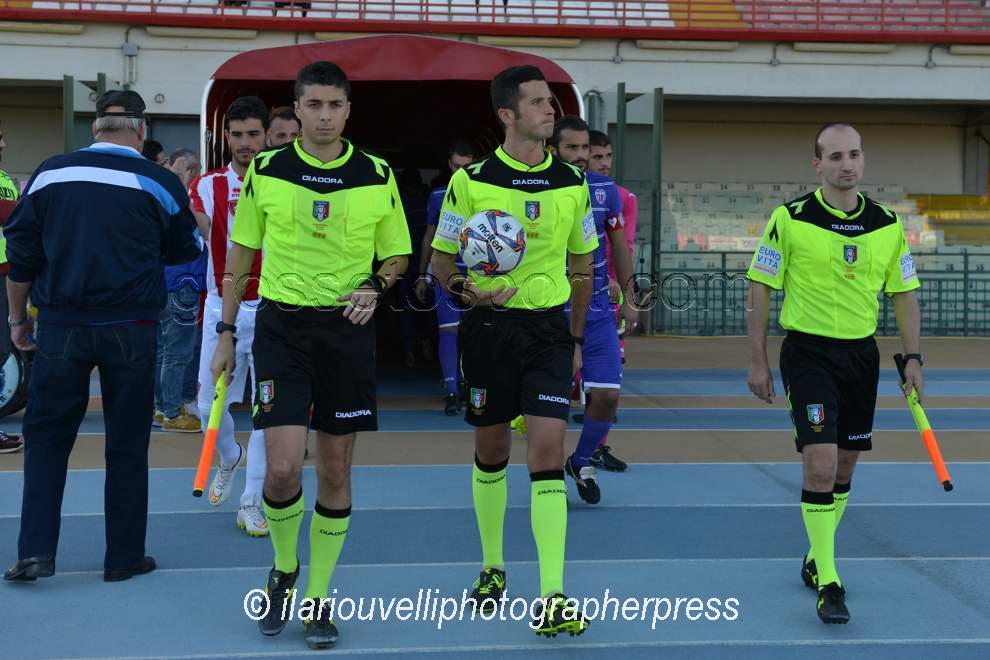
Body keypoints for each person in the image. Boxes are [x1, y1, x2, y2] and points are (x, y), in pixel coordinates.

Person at [210, 62, 411, 649]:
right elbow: (241, 253)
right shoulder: (267, 169)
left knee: (335, 471)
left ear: (348, 110)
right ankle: (283, 568)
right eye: (314, 105)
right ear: (297, 110)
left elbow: (397, 256)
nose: (325, 115)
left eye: (335, 105)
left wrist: (376, 285)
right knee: (280, 468)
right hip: (282, 328)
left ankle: (318, 596)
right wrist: (226, 331)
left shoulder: (376, 173)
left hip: (346, 333)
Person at [2, 90, 201, 582]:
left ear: (94, 129)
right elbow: (186, 250)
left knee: (46, 439)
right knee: (127, 444)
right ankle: (123, 557)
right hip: (132, 326)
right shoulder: (159, 180)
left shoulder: (51, 172)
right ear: (143, 130)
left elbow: (21, 253)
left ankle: (35, 551)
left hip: (62, 325)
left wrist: (17, 320)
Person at [431, 65, 595, 636]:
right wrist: (467, 291)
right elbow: (441, 262)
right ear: (508, 114)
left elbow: (582, 265)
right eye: (539, 102)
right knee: (493, 448)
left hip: (548, 332)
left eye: (551, 101)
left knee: (547, 451)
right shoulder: (471, 182)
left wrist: (576, 339)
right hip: (487, 328)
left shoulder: (571, 182)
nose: (551, 110)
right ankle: (493, 567)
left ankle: (553, 594)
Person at [746, 123, 923, 624]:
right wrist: (757, 359)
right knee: (820, 465)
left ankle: (815, 554)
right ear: (817, 164)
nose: (848, 164)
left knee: (844, 467)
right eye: (837, 156)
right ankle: (829, 581)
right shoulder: (790, 218)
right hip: (808, 354)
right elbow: (759, 286)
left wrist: (913, 357)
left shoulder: (887, 223)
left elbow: (904, 293)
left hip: (861, 357)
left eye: (855, 154)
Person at [190, 97, 270, 536]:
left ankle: (251, 501)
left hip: (275, 306)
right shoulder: (206, 186)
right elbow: (212, 241)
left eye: (253, 134)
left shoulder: (283, 183)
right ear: (226, 137)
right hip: (223, 307)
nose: (245, 143)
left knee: (267, 409)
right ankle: (229, 456)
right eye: (237, 135)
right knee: (208, 407)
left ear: (266, 135)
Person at [547, 116, 636, 504]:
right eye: (572, 147)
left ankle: (580, 461)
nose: (581, 155)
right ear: (553, 150)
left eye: (586, 148)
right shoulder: (538, 187)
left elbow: (619, 245)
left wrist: (629, 297)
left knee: (606, 397)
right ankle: (548, 477)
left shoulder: (604, 189)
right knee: (551, 402)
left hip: (598, 305)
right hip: (550, 307)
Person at [586, 129, 637, 472]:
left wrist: (625, 291)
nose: (604, 163)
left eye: (608, 156)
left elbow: (623, 245)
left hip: (607, 293)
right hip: (564, 290)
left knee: (608, 374)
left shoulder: (622, 197)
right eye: (597, 156)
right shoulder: (567, 189)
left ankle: (597, 447)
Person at [416, 140, 475, 414]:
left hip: (477, 275)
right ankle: (452, 390)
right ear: (449, 165)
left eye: (467, 167)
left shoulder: (488, 193)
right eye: (457, 166)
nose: (461, 172)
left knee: (476, 333)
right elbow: (429, 236)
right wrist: (421, 275)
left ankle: (473, 388)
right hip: (444, 271)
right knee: (449, 331)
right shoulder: (438, 195)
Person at [0, 121, 24, 453]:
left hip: (7, 275)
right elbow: (11, 214)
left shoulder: (6, 179)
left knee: (3, 350)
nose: (3, 145)